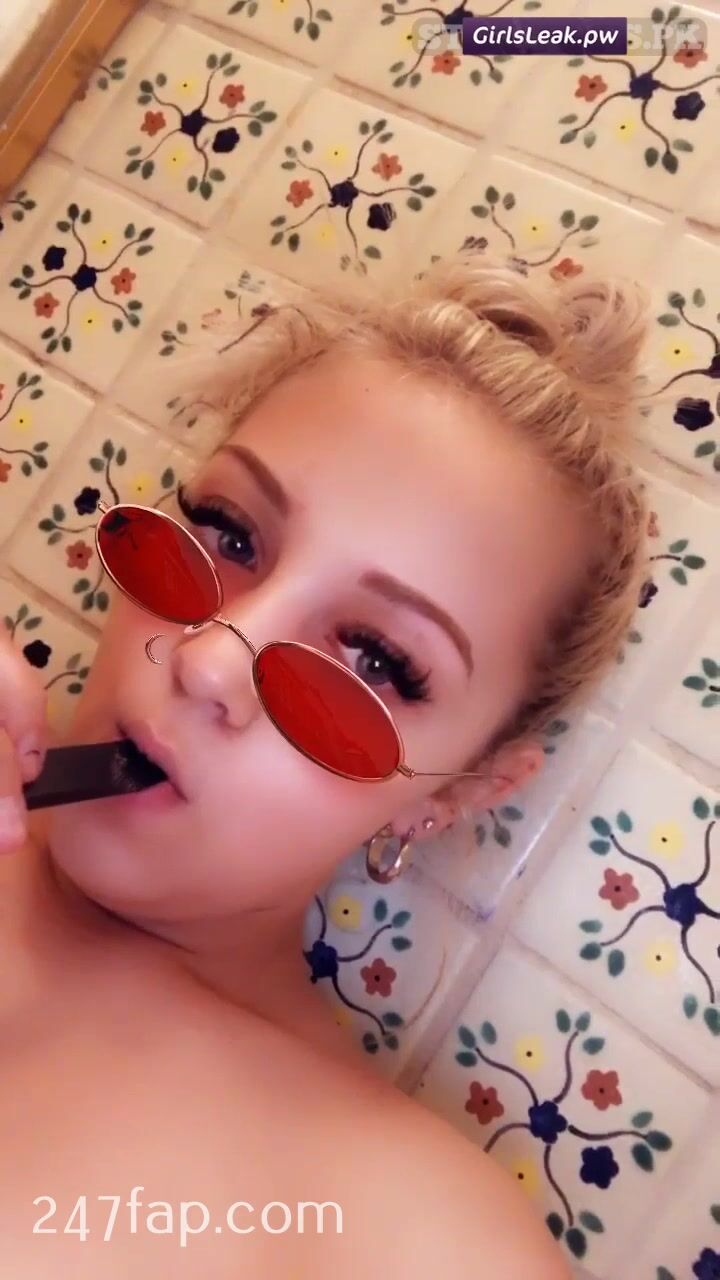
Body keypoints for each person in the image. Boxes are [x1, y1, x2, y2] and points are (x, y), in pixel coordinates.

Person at [0, 252, 649, 1278]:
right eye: (226, 533)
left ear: (456, 794)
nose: (209, 662)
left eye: (376, 661)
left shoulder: (410, 1238)